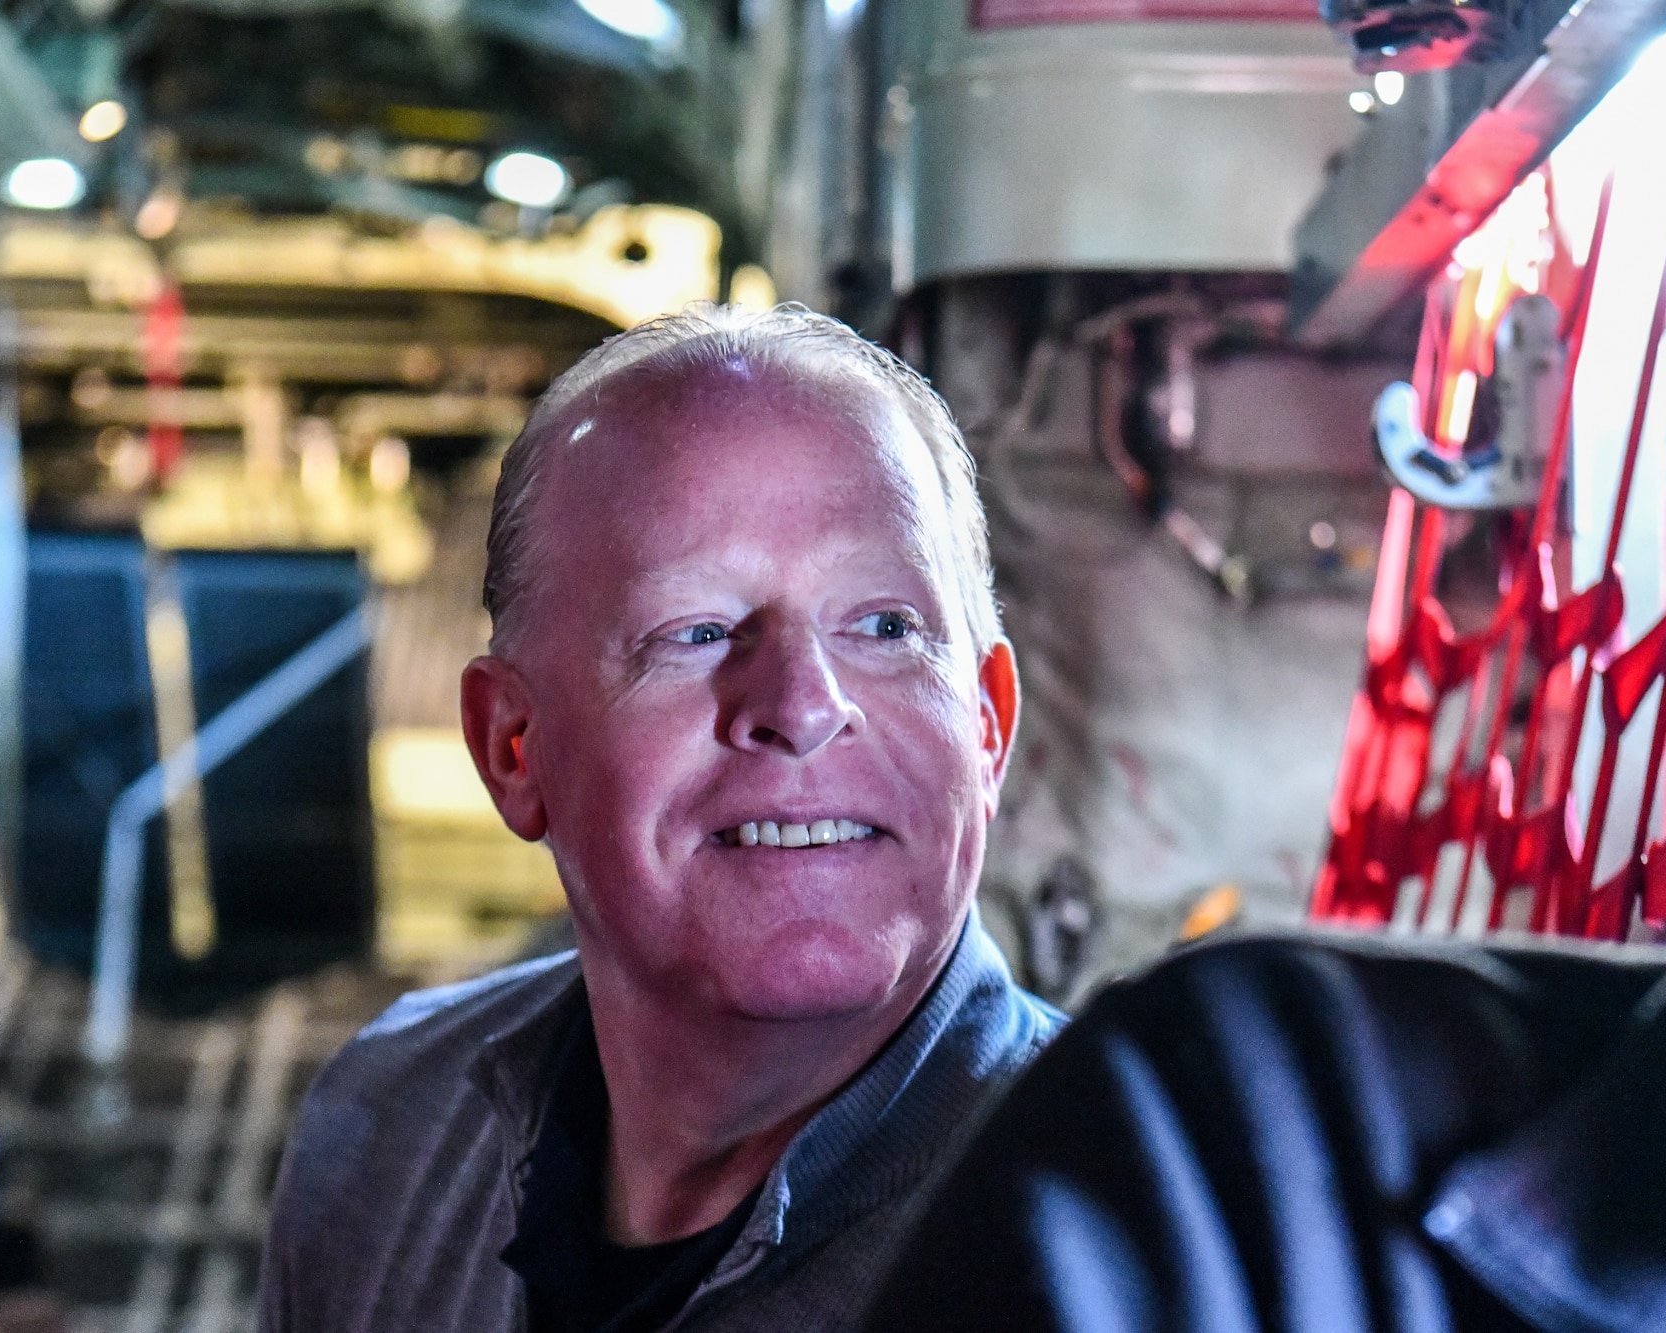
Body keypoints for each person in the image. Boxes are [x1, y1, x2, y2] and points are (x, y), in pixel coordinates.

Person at [256, 304, 1064, 1332]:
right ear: (512, 744)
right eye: (696, 631)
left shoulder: (1139, 1241)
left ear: (988, 726)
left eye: (884, 626)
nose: (804, 706)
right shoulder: (388, 1128)